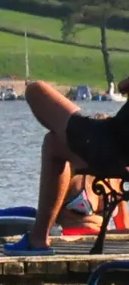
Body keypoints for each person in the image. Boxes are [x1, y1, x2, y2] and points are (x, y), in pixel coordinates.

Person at [15, 78, 129, 252]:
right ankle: (38, 237)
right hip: (115, 146)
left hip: (113, 142)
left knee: (35, 90)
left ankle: (38, 238)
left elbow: (123, 87)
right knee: (56, 140)